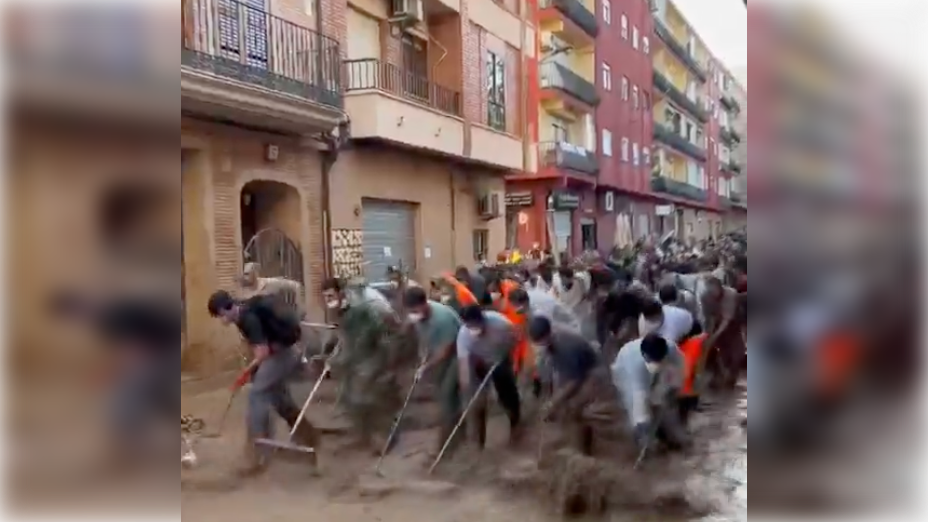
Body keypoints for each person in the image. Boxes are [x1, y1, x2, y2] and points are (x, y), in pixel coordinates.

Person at [52, 290, 179, 472]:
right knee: (153, 396)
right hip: (157, 350)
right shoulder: (104, 317)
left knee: (128, 396)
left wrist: (107, 375)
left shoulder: (111, 316)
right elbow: (122, 352)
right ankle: (149, 444)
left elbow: (134, 354)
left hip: (166, 350)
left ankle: (129, 452)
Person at [207, 290, 319, 474]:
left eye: (220, 316)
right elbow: (257, 345)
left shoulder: (246, 318)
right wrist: (251, 369)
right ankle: (309, 436)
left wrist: (246, 372)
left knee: (257, 393)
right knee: (276, 396)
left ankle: (256, 450)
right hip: (285, 352)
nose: (221, 321)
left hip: (282, 355)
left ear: (225, 310)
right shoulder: (244, 311)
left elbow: (262, 352)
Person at [321, 278, 406, 453]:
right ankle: (363, 435)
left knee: (369, 395)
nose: (328, 299)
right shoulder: (339, 309)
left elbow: (375, 332)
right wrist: (335, 357)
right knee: (348, 395)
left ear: (340, 292)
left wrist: (347, 358)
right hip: (361, 353)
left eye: (330, 295)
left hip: (378, 350)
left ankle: (386, 437)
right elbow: (345, 335)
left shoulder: (361, 306)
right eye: (325, 296)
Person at [528, 317, 621, 456]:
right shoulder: (552, 343)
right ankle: (582, 444)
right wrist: (553, 400)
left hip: (593, 373)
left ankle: (588, 448)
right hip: (579, 372)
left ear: (548, 335)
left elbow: (574, 381)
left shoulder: (566, 347)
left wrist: (553, 403)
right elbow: (557, 375)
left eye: (539, 342)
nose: (537, 346)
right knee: (569, 409)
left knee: (576, 409)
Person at [404, 287, 463, 456]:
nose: (412, 314)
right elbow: (425, 341)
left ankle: (448, 445)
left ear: (424, 304)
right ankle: (455, 431)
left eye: (414, 310)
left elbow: (445, 351)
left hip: (460, 355)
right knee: (443, 395)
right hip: (440, 356)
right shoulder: (419, 317)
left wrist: (426, 366)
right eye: (410, 311)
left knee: (447, 395)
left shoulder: (442, 318)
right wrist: (423, 359)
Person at [456, 305, 523, 448]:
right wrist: (468, 390)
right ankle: (478, 443)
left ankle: (516, 424)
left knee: (507, 393)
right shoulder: (464, 336)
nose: (473, 328)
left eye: (475, 324)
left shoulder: (499, 322)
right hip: (478, 361)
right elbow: (464, 366)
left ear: (483, 319)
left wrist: (508, 349)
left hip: (500, 357)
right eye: (469, 325)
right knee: (476, 401)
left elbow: (517, 335)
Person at [611, 334, 689, 453]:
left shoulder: (671, 349)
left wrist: (672, 391)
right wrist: (644, 427)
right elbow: (640, 398)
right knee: (636, 409)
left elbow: (679, 371)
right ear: (645, 356)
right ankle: (642, 441)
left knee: (662, 401)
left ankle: (668, 432)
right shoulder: (635, 365)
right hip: (625, 372)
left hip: (659, 373)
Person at [698, 276, 742, 390]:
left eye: (714, 291)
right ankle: (720, 376)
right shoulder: (705, 296)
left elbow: (727, 318)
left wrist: (715, 336)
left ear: (720, 287)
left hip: (733, 325)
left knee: (737, 354)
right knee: (720, 353)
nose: (712, 294)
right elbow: (709, 317)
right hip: (716, 324)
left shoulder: (731, 294)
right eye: (709, 291)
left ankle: (731, 376)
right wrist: (709, 335)